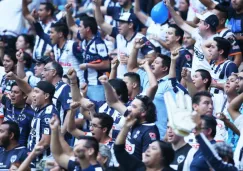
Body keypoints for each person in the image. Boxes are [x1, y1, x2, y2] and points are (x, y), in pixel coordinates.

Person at [128, 40, 187, 138]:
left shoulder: (169, 84)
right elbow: (131, 68)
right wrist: (135, 48)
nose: (152, 64)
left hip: (159, 133)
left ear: (164, 68)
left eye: (156, 63)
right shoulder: (147, 77)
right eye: (153, 62)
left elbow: (175, 110)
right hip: (141, 130)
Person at [100, 75, 160, 160]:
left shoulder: (149, 131)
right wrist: (106, 84)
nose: (129, 108)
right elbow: (112, 102)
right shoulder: (133, 118)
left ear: (143, 112)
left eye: (134, 107)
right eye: (131, 105)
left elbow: (147, 161)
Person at [93, 0, 155, 79]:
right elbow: (101, 23)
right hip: (120, 78)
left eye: (122, 23)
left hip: (136, 81)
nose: (119, 25)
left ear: (130, 25)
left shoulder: (140, 38)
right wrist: (97, 7)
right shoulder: (118, 34)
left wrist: (133, 60)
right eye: (118, 23)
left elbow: (152, 58)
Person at [67, 5, 110, 101]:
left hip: (97, 85)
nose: (78, 29)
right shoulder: (84, 40)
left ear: (88, 29)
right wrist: (68, 13)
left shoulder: (99, 43)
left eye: (80, 26)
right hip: (87, 84)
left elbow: (106, 64)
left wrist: (87, 65)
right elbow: (71, 25)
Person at [165, 0, 219, 75]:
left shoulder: (216, 42)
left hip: (206, 81)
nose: (197, 24)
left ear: (207, 26)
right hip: (195, 78)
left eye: (200, 22)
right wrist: (170, 7)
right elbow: (181, 23)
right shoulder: (198, 33)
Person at [34, 21, 85, 85]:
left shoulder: (73, 46)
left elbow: (84, 63)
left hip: (77, 84)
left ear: (60, 34)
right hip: (63, 84)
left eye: (52, 33)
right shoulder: (55, 45)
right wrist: (35, 20)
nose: (50, 36)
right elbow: (41, 34)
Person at [203, 37, 238, 112]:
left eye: (212, 47)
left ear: (221, 51)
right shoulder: (211, 64)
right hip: (210, 100)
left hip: (223, 103)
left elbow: (234, 88)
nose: (209, 49)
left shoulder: (230, 65)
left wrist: (214, 84)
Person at [0, 82, 34, 146]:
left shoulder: (31, 114)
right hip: (3, 147)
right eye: (11, 92)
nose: (12, 95)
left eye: (16, 92)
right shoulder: (8, 103)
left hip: (20, 151)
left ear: (24, 96)